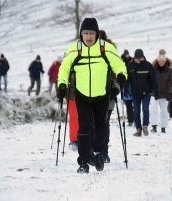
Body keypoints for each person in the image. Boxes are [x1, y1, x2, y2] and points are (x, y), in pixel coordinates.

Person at [57, 18, 127, 174]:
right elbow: (64, 69)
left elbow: (119, 64)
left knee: (102, 127)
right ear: (81, 35)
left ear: (96, 34)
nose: (88, 37)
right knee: (85, 127)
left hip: (102, 95)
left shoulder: (105, 48)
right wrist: (61, 84)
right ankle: (83, 162)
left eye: (91, 33)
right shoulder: (75, 49)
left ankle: (97, 153)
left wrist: (121, 78)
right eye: (85, 33)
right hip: (81, 95)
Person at [125, 49, 159, 136]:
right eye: (137, 58)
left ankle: (145, 126)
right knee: (136, 111)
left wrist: (156, 90)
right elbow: (127, 79)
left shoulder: (148, 66)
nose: (139, 60)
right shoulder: (130, 65)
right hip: (135, 93)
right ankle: (138, 129)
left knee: (145, 109)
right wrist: (125, 89)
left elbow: (153, 80)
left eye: (140, 58)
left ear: (143, 56)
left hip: (146, 92)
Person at [99, 30, 120, 163]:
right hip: (93, 94)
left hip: (108, 94)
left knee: (104, 123)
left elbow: (118, 71)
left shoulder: (111, 53)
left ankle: (103, 152)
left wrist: (116, 88)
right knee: (97, 124)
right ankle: (97, 151)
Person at [150, 49, 172, 133]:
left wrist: (170, 93)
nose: (161, 62)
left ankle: (163, 127)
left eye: (162, 61)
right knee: (153, 109)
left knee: (164, 111)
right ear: (157, 61)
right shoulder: (153, 69)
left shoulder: (170, 70)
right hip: (154, 93)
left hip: (165, 93)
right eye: (160, 61)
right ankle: (154, 126)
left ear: (165, 61)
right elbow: (150, 80)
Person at [121, 49, 134, 126]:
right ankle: (130, 120)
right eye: (126, 54)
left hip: (132, 83)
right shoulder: (121, 61)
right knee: (128, 104)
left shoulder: (132, 60)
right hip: (125, 83)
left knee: (134, 104)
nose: (127, 55)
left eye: (128, 54)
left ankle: (134, 119)